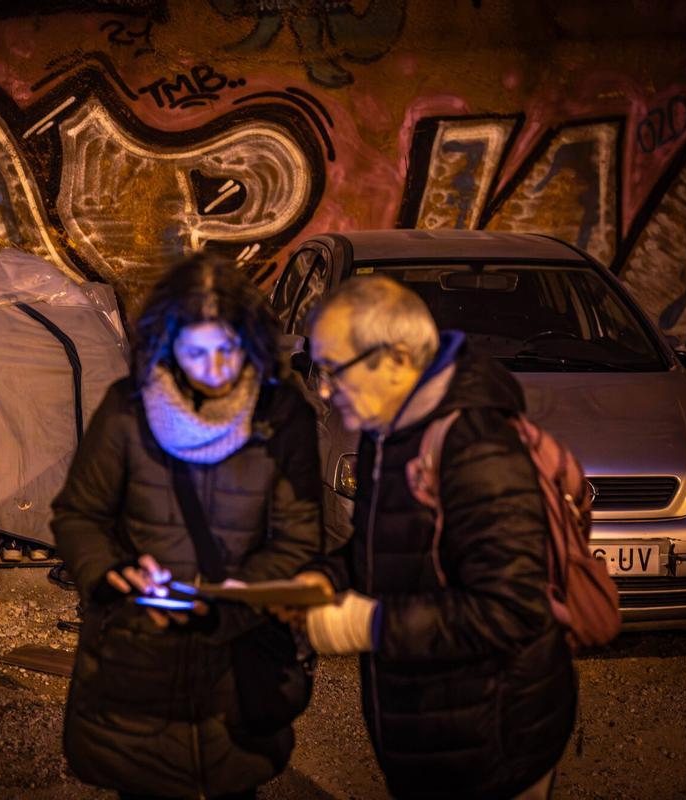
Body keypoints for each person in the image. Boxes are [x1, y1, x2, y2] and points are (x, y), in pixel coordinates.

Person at [51, 253, 323, 800]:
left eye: (228, 348)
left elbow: (299, 536)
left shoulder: (283, 414)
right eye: (196, 352)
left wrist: (228, 603)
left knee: (230, 780)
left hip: (240, 659)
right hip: (140, 655)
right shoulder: (128, 412)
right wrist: (111, 572)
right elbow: (80, 514)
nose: (214, 367)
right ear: (168, 344)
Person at [294, 275, 575, 799]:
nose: (325, 390)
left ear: (398, 359)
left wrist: (371, 624)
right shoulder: (388, 430)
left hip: (492, 743)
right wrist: (326, 575)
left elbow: (514, 608)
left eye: (337, 372)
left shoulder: (476, 445)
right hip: (431, 730)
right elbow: (380, 548)